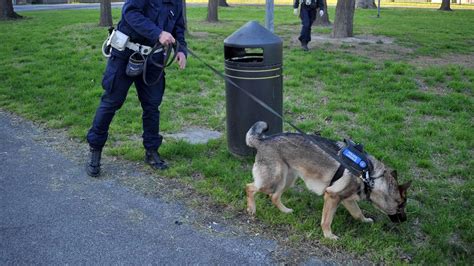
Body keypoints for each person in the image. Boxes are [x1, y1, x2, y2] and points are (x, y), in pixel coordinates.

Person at [86, 0, 187, 177]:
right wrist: (158, 33)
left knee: (152, 106)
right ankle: (95, 149)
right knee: (111, 102)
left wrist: (181, 50)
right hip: (125, 53)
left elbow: (179, 26)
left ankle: (151, 151)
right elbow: (130, 13)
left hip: (153, 59)